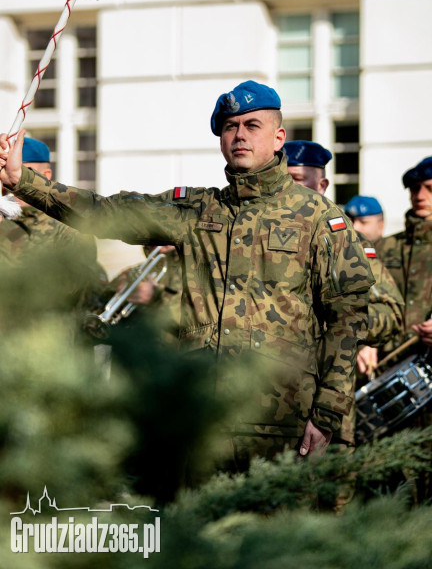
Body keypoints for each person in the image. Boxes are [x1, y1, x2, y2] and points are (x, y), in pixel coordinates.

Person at [0, 81, 374, 464]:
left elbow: (347, 319)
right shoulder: (197, 209)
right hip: (201, 421)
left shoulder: (319, 217)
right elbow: (107, 211)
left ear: (279, 137)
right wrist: (22, 182)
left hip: (282, 424)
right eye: (230, 127)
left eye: (252, 125)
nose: (240, 135)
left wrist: (327, 415)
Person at [285, 140, 404, 446]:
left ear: (322, 185)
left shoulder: (348, 241)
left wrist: (343, 324)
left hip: (328, 408)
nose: (289, 190)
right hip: (266, 412)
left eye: (298, 180)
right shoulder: (257, 238)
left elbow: (391, 312)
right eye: (284, 180)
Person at [0, 137, 105, 313]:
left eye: (22, 172)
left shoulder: (69, 222)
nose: (10, 182)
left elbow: (71, 286)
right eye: (4, 173)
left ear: (46, 176)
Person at [376, 156, 432, 348]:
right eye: (415, 188)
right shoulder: (385, 246)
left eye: (429, 188)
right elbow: (363, 301)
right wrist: (365, 343)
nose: (420, 196)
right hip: (389, 362)